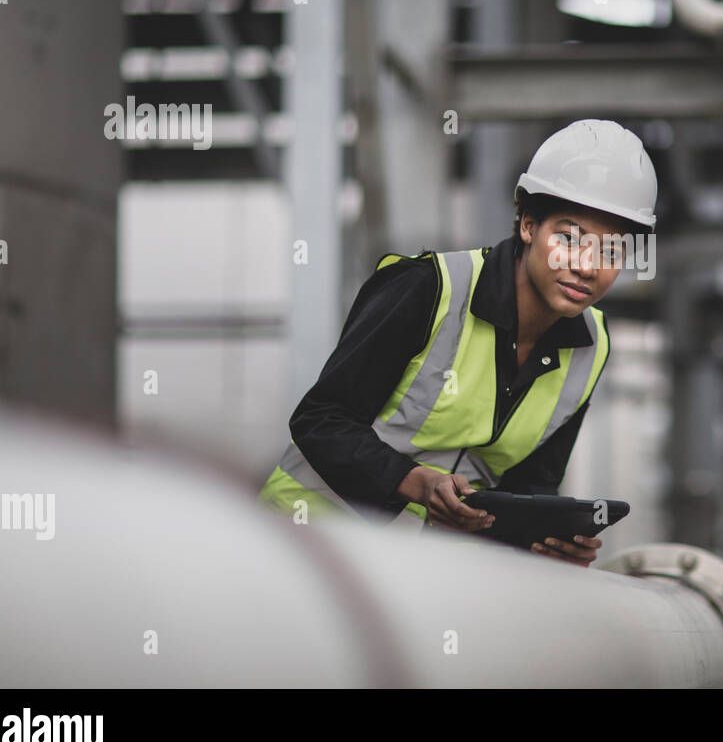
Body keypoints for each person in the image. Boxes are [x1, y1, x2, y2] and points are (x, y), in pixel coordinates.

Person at [258, 119, 657, 567]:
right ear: (528, 226)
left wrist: (546, 538)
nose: (587, 266)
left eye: (611, 252)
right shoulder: (427, 289)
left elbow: (530, 487)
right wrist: (413, 482)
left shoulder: (592, 346)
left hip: (424, 575)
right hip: (302, 550)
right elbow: (321, 421)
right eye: (568, 238)